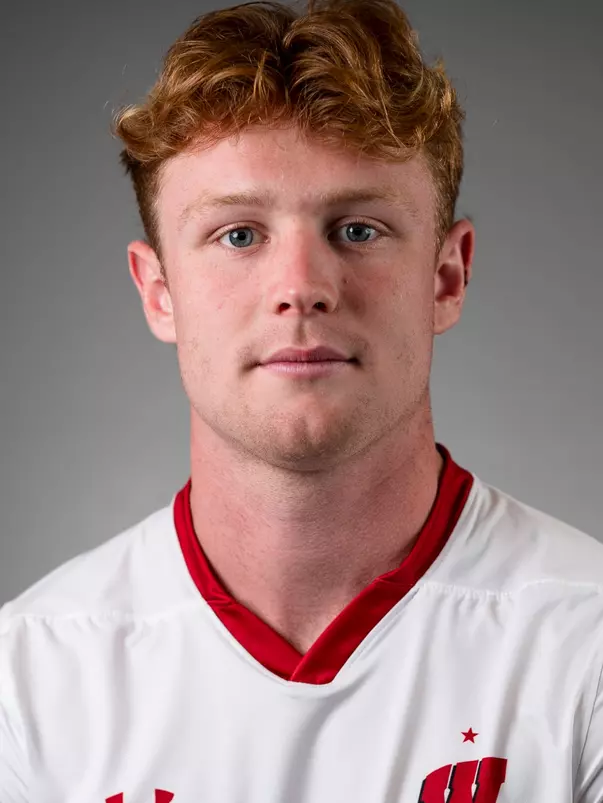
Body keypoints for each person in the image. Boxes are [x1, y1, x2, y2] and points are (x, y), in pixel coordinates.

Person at [1, 0, 602, 800]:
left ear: (446, 277)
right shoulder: (29, 680)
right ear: (159, 293)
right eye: (238, 235)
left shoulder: (584, 642)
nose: (301, 288)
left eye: (357, 229)